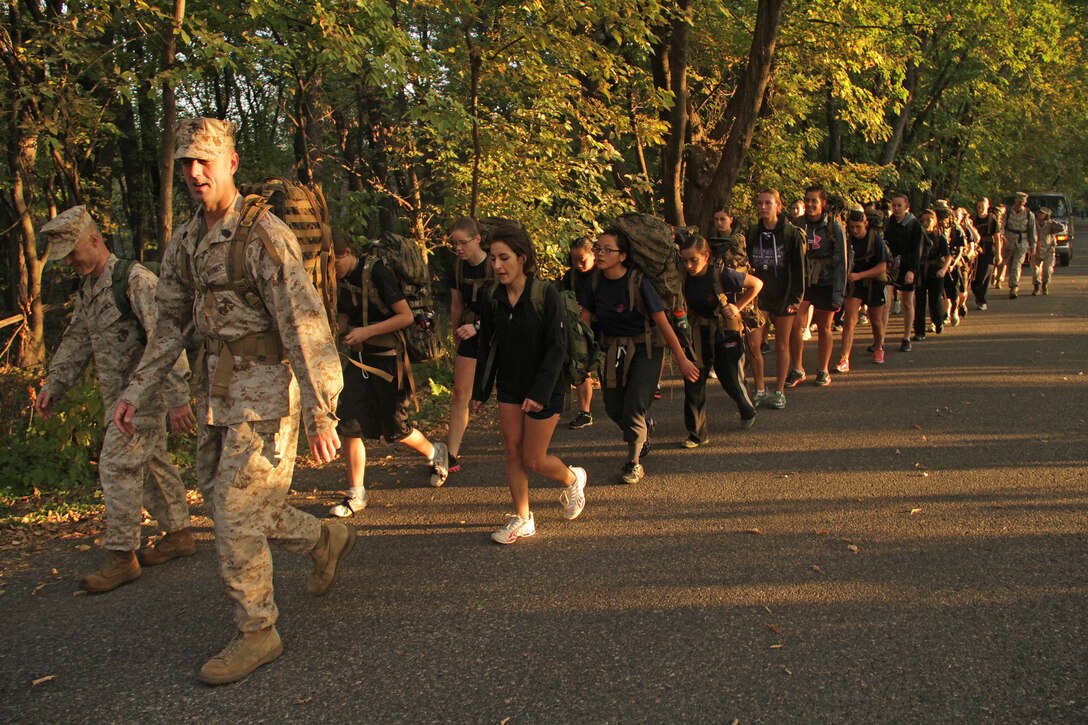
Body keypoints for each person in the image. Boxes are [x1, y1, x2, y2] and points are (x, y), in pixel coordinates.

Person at [114, 118, 353, 685]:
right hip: (215, 392)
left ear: (231, 163)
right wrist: (135, 390)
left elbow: (304, 324)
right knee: (244, 506)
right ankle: (324, 537)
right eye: (186, 164)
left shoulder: (264, 235)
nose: (195, 173)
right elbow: (168, 325)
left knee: (233, 513)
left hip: (268, 395)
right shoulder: (188, 240)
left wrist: (323, 409)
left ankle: (257, 632)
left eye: (205, 161)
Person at [35, 206, 194, 593]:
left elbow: (166, 337)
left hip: (143, 397)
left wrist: (177, 397)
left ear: (94, 239)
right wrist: (54, 384)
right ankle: (179, 533)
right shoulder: (90, 288)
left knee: (117, 466)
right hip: (117, 398)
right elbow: (76, 339)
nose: (70, 262)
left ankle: (122, 556)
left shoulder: (136, 281)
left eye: (73, 253)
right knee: (152, 461)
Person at [471, 225, 588, 543]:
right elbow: (487, 345)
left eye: (504, 258)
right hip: (510, 384)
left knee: (533, 459)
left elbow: (558, 347)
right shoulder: (491, 296)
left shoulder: (545, 293)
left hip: (546, 385)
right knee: (512, 450)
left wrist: (539, 393)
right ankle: (523, 518)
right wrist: (480, 391)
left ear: (522, 258)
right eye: (493, 258)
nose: (497, 266)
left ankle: (571, 478)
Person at [329, 233, 450, 517]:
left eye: (334, 261)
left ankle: (435, 452)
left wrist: (366, 332)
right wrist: (336, 329)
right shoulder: (341, 280)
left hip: (387, 362)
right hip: (357, 361)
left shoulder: (377, 272)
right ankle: (356, 494)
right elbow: (346, 314)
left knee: (396, 430)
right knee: (350, 425)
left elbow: (405, 316)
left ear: (348, 251)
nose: (332, 268)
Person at [578, 227, 700, 484]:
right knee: (613, 407)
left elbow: (663, 323)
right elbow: (585, 319)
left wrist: (681, 358)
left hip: (645, 350)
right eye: (598, 249)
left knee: (633, 405)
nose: (599, 254)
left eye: (606, 250)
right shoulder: (595, 282)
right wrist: (580, 356)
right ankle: (642, 428)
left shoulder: (639, 282)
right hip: (610, 349)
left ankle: (633, 462)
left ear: (622, 256)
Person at [678, 234, 761, 446]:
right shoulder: (684, 276)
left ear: (706, 256)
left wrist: (737, 306)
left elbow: (757, 284)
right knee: (694, 379)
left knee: (730, 377)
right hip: (699, 332)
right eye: (685, 260)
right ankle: (697, 433)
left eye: (693, 260)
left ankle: (746, 408)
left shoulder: (722, 274)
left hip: (726, 331)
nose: (689, 265)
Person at [745, 189, 806, 409]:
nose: (763, 207)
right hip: (758, 298)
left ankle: (779, 390)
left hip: (784, 297)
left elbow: (800, 269)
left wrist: (795, 299)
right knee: (753, 343)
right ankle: (760, 388)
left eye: (768, 203)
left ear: (778, 206)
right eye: (760, 203)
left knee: (782, 344)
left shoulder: (791, 233)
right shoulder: (752, 232)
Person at [788, 185, 847, 388]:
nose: (811, 204)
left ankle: (823, 370)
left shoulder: (834, 226)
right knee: (795, 324)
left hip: (826, 281)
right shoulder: (797, 224)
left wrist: (839, 294)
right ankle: (797, 369)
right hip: (803, 282)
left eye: (815, 200)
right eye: (808, 200)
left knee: (824, 327)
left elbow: (841, 262)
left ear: (823, 203)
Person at [443, 217, 489, 473]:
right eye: (454, 244)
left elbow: (507, 306)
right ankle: (451, 454)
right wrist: (456, 336)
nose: (459, 248)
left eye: (463, 243)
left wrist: (479, 327)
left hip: (501, 332)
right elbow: (456, 304)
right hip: (470, 333)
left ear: (477, 239)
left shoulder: (495, 264)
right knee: (461, 393)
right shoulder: (457, 269)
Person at [836, 208, 889, 371]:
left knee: (876, 320)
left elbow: (882, 266)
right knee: (849, 321)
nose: (855, 230)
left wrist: (860, 275)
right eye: (852, 227)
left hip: (875, 282)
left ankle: (879, 347)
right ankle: (844, 359)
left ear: (866, 224)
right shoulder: (847, 239)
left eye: (858, 227)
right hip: (855, 285)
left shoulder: (876, 239)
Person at [559, 237, 597, 429]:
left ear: (593, 255)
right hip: (580, 327)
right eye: (574, 260)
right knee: (581, 367)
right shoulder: (570, 276)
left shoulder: (604, 273)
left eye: (582, 259)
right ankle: (585, 411)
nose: (579, 264)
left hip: (603, 327)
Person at [882, 193, 924, 352]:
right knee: (885, 303)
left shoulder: (914, 225)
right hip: (891, 267)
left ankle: (906, 337)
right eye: (894, 205)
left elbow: (917, 250)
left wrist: (912, 271)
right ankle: (881, 339)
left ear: (907, 207)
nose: (896, 208)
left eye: (900, 205)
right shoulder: (888, 223)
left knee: (907, 303)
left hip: (908, 267)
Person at [913, 208, 952, 340]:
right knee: (920, 301)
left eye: (929, 219)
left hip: (935, 271)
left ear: (934, 221)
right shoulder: (918, 236)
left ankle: (938, 321)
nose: (926, 222)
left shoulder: (939, 237)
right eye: (923, 220)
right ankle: (919, 331)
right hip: (921, 271)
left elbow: (948, 256)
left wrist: (943, 270)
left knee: (935, 300)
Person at [1002, 192, 1036, 299]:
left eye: (1023, 201)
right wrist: (1002, 238)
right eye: (1019, 200)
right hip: (1009, 240)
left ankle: (1014, 287)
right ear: (1015, 200)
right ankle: (1011, 282)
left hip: (1022, 241)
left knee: (1017, 264)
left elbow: (1032, 231)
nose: (1020, 203)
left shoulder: (1028, 214)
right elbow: (1001, 226)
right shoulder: (1007, 212)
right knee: (1009, 264)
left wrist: (1033, 246)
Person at [971, 198, 1000, 310]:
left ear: (987, 206)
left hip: (988, 250)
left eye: (982, 206)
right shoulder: (973, 219)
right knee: (974, 278)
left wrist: (998, 254)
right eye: (978, 206)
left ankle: (982, 301)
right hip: (976, 250)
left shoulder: (992, 220)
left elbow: (997, 238)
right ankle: (979, 296)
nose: (980, 209)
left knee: (984, 276)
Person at [1031, 207, 1062, 295]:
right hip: (1036, 250)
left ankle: (1044, 285)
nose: (1040, 215)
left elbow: (1061, 228)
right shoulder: (1034, 223)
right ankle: (1036, 287)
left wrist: (1055, 223)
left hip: (1048, 250)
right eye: (1039, 213)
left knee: (1047, 270)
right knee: (1035, 271)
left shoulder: (1050, 224)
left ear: (1046, 215)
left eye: (1043, 213)